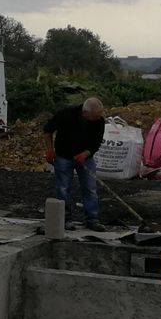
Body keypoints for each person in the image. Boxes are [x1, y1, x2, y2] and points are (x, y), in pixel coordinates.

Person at [43, 97, 106, 230]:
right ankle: (65, 219)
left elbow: (96, 143)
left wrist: (86, 154)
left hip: (85, 159)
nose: (98, 118)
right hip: (63, 157)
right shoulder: (65, 115)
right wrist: (50, 150)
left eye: (99, 115)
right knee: (63, 188)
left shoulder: (99, 121)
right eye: (95, 116)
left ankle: (92, 219)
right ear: (85, 113)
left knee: (90, 188)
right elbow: (48, 130)